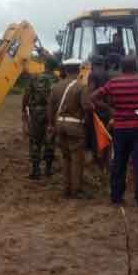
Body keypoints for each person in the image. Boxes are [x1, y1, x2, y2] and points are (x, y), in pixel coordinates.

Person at [90, 56, 138, 206]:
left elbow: (93, 97)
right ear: (136, 67)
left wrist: (110, 110)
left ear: (121, 68)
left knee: (118, 163)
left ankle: (116, 198)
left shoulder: (113, 83)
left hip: (119, 130)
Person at [48, 59, 91, 198]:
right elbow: (86, 107)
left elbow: (50, 108)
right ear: (79, 70)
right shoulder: (81, 87)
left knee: (65, 158)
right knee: (77, 159)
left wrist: (51, 125)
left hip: (59, 125)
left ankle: (66, 189)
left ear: (65, 71)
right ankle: (76, 190)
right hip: (75, 126)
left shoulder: (55, 87)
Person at [22, 66, 54, 179]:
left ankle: (36, 171)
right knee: (50, 141)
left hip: (37, 113)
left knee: (35, 140)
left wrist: (23, 110)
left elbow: (26, 95)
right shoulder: (56, 78)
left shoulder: (35, 78)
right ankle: (48, 170)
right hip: (52, 114)